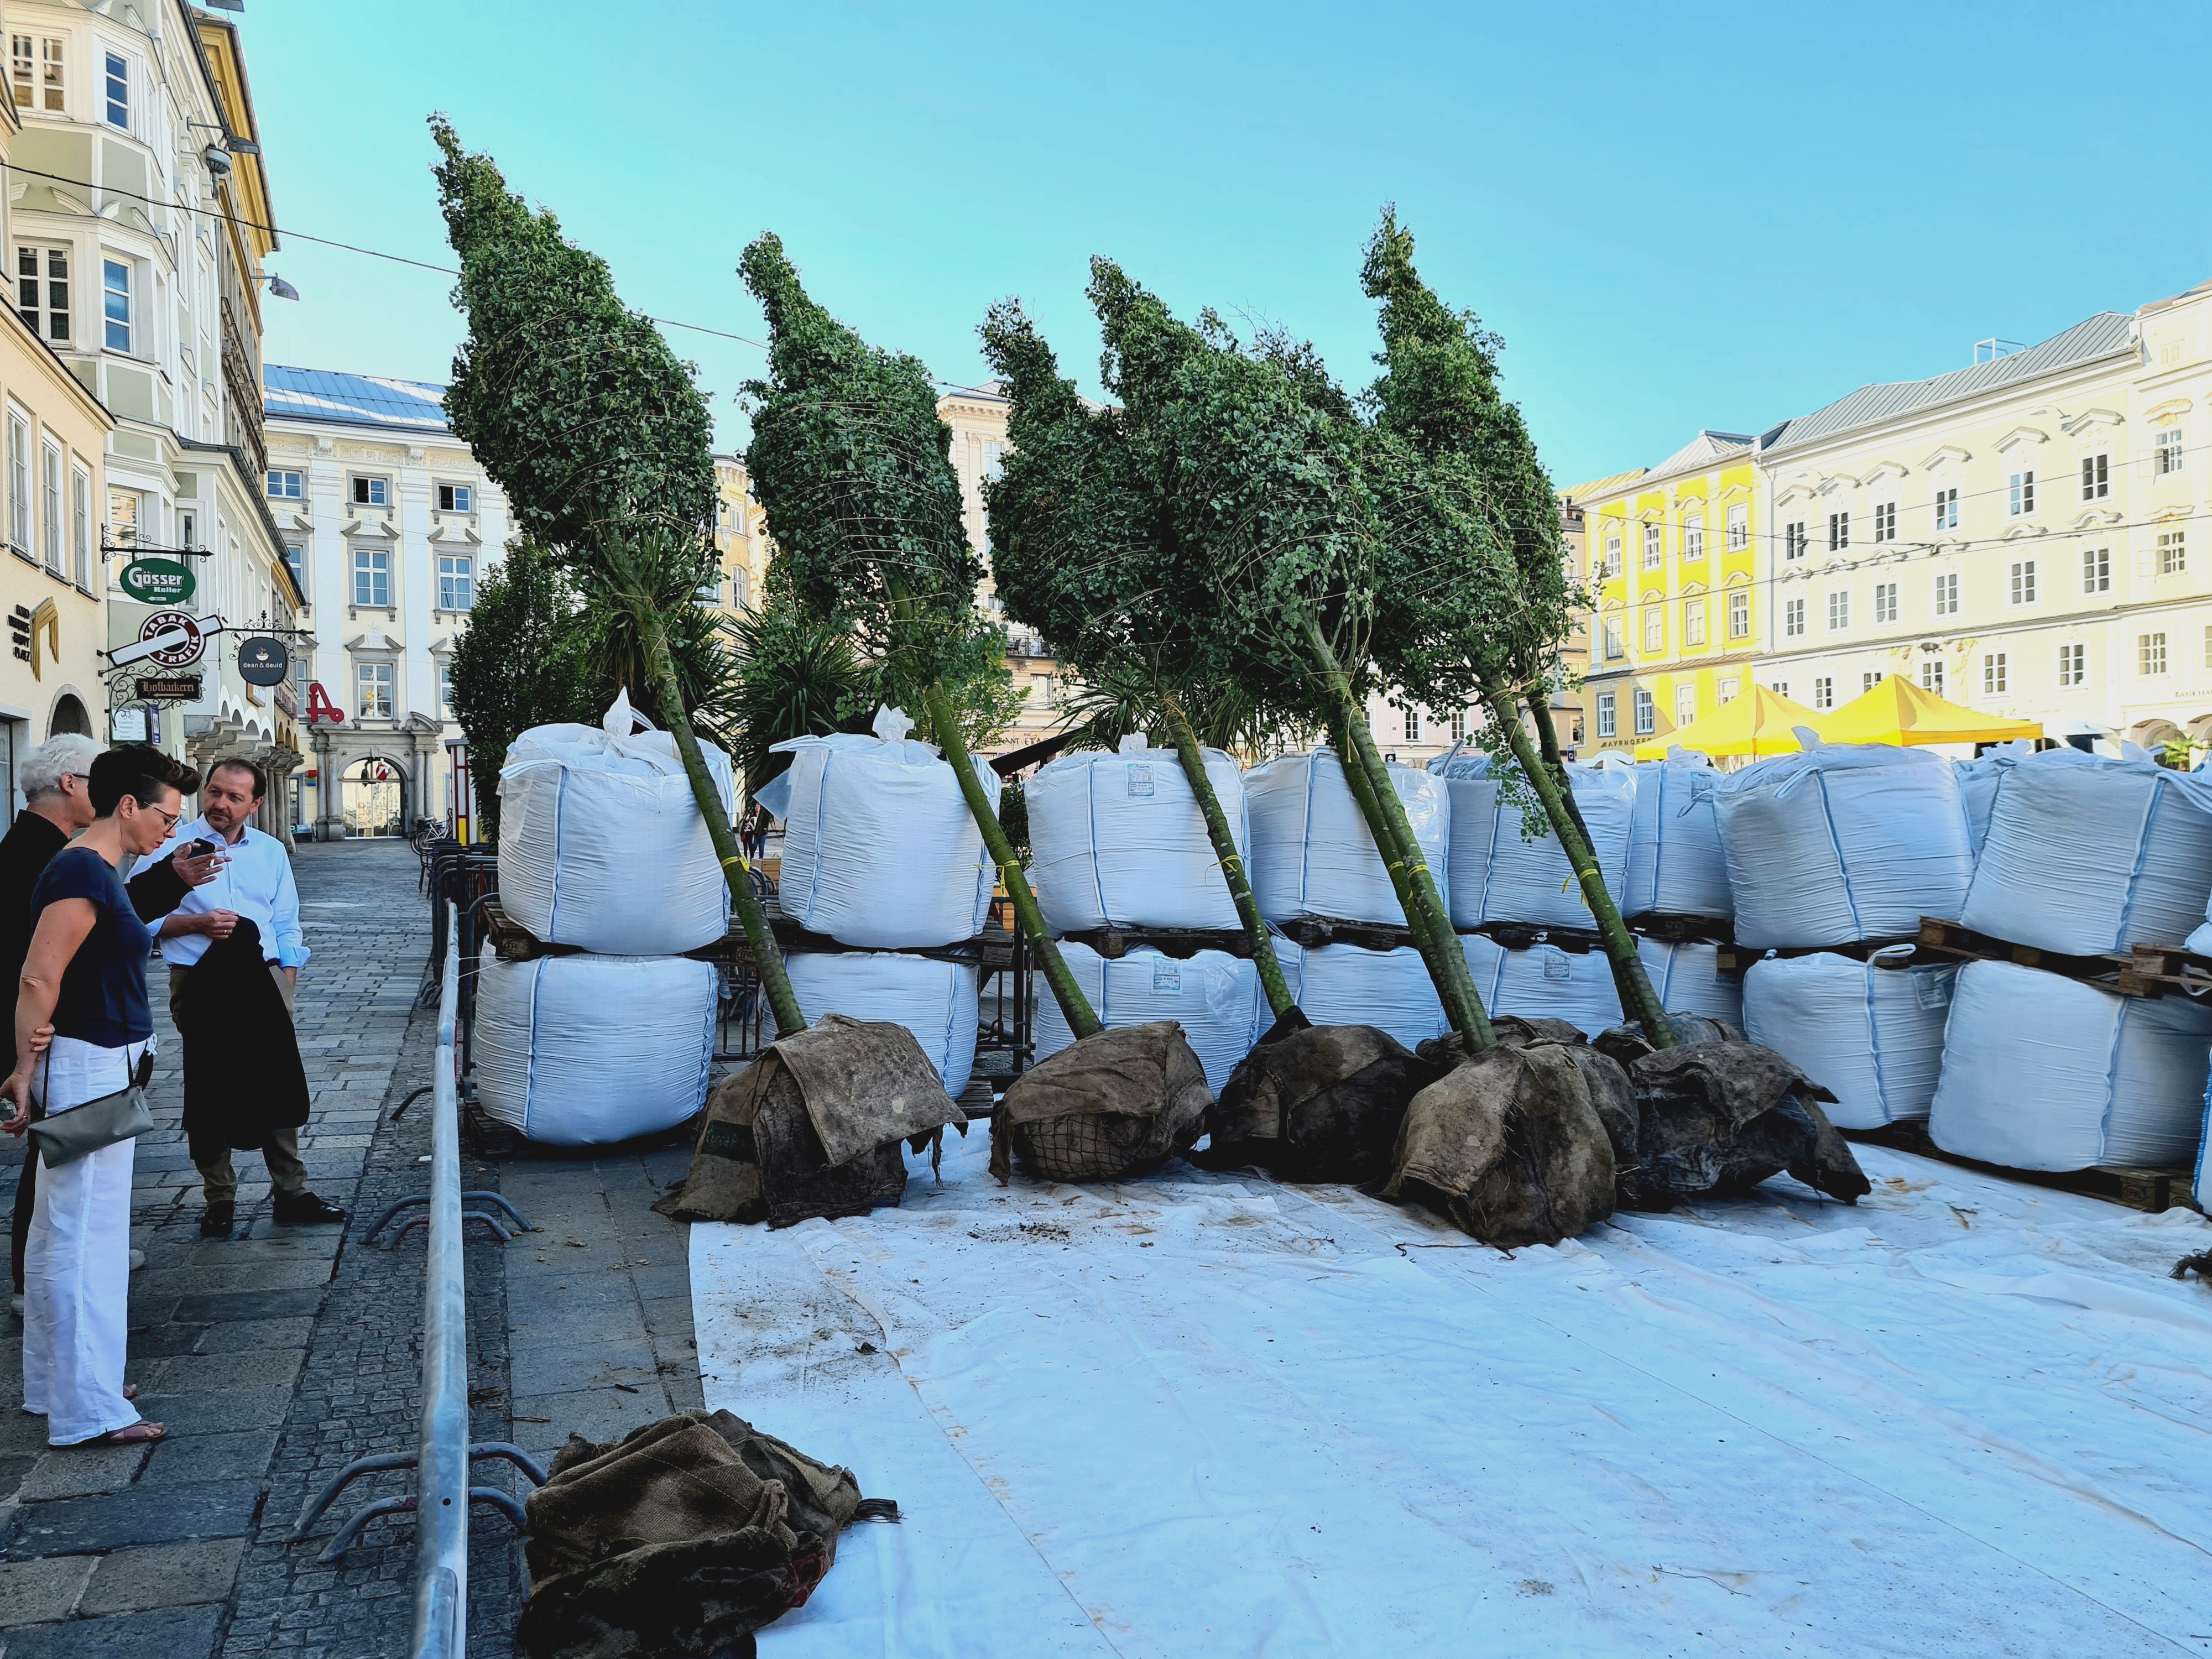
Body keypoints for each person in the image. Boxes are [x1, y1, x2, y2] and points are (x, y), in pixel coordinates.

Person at [2, 744, 201, 1447]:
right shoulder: (82, 869)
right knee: (89, 1238)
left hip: (91, 1062)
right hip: (88, 1065)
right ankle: (88, 1410)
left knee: (64, 1234)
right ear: (127, 806)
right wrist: (26, 1071)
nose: (170, 830)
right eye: (166, 816)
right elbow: (38, 976)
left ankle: (64, 1386)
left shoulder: (95, 867)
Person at [137, 757, 342, 1238]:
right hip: (198, 980)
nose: (220, 805)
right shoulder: (171, 847)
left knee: (277, 1080)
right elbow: (134, 916)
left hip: (264, 979)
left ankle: (293, 1191)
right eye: (214, 793)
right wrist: (194, 924)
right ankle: (219, 1197)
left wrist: (286, 977)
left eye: (233, 797)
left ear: (255, 803)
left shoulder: (271, 852)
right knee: (210, 1083)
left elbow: (286, 921)